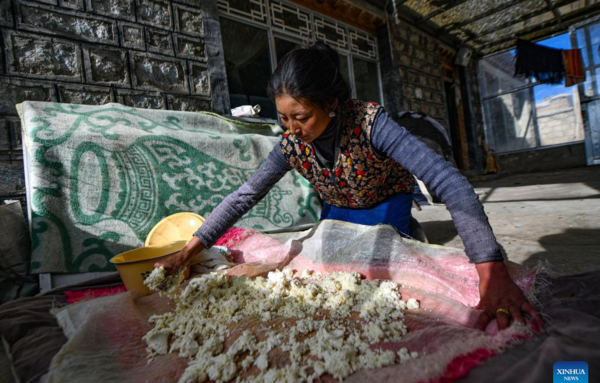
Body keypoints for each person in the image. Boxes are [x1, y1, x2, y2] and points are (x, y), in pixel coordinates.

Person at [156, 42, 543, 333]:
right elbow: (246, 195)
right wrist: (191, 249)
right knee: (325, 273)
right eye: (284, 117)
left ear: (334, 104)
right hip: (338, 212)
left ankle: (412, 236)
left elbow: (451, 183)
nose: (292, 128)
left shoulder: (372, 124)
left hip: (385, 204)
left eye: (302, 117)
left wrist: (490, 270)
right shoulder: (292, 144)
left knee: (387, 277)